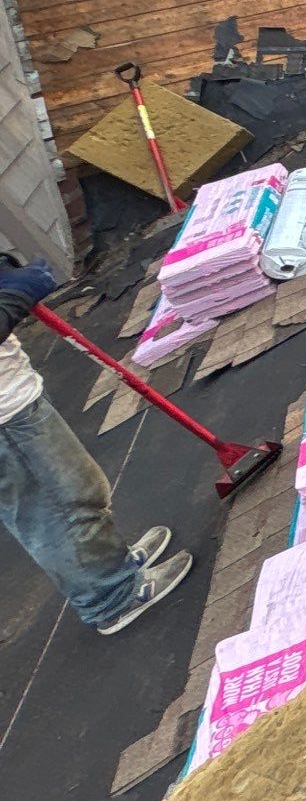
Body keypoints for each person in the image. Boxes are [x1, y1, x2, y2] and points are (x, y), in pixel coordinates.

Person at [0, 258, 192, 636]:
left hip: (13, 401)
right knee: (59, 509)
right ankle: (112, 598)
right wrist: (11, 297)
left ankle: (111, 566)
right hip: (5, 421)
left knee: (78, 492)